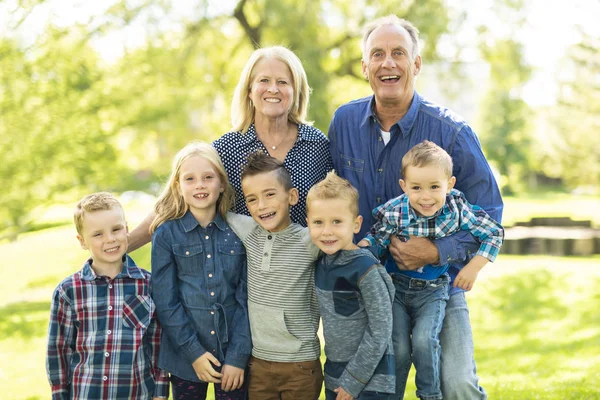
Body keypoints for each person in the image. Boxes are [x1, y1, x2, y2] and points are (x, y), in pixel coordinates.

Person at [328, 14, 503, 400]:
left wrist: (437, 250)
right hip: (368, 287)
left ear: (416, 64)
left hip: (438, 284)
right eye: (377, 54)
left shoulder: (451, 131)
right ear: (365, 67)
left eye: (398, 53)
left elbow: (489, 212)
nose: (387, 63)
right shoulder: (343, 123)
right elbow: (329, 196)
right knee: (368, 390)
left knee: (457, 386)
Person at [357, 141, 504, 400]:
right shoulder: (395, 211)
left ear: (450, 183)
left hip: (434, 290)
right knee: (398, 348)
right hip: (397, 290)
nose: (426, 197)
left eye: (435, 187)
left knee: (426, 341)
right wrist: (364, 248)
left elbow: (494, 232)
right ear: (404, 187)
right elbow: (377, 238)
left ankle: (430, 395)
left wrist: (473, 267)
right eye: (416, 188)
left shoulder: (456, 209)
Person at [149, 142, 252, 400]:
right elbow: (166, 301)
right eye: (190, 179)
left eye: (208, 177)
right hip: (185, 357)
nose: (200, 185)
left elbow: (247, 299)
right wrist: (192, 352)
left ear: (222, 183)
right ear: (178, 186)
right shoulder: (165, 235)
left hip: (232, 357)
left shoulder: (239, 233)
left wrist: (238, 357)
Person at [46, 192, 169, 400]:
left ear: (127, 230)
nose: (110, 239)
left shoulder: (148, 285)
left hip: (138, 394)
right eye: (98, 234)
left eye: (116, 229)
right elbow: (58, 350)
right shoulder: (68, 291)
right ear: (82, 241)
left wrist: (160, 392)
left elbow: (158, 343)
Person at [226, 152, 323, 400]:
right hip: (258, 363)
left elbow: (339, 233)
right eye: (252, 199)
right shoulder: (249, 232)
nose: (262, 206)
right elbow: (214, 209)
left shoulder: (309, 240)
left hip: (301, 363)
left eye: (270, 194)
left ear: (292, 196)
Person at [213, 45, 333, 226]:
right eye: (264, 81)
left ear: (296, 92)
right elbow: (191, 197)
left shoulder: (317, 144)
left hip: (306, 253)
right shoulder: (225, 149)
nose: (273, 89)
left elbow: (336, 205)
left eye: (283, 82)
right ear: (249, 91)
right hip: (243, 254)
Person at [306, 171, 395, 400]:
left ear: (356, 224)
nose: (327, 231)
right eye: (318, 222)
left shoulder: (366, 268)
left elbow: (381, 329)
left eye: (337, 222)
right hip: (336, 375)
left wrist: (354, 380)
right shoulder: (322, 264)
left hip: (372, 379)